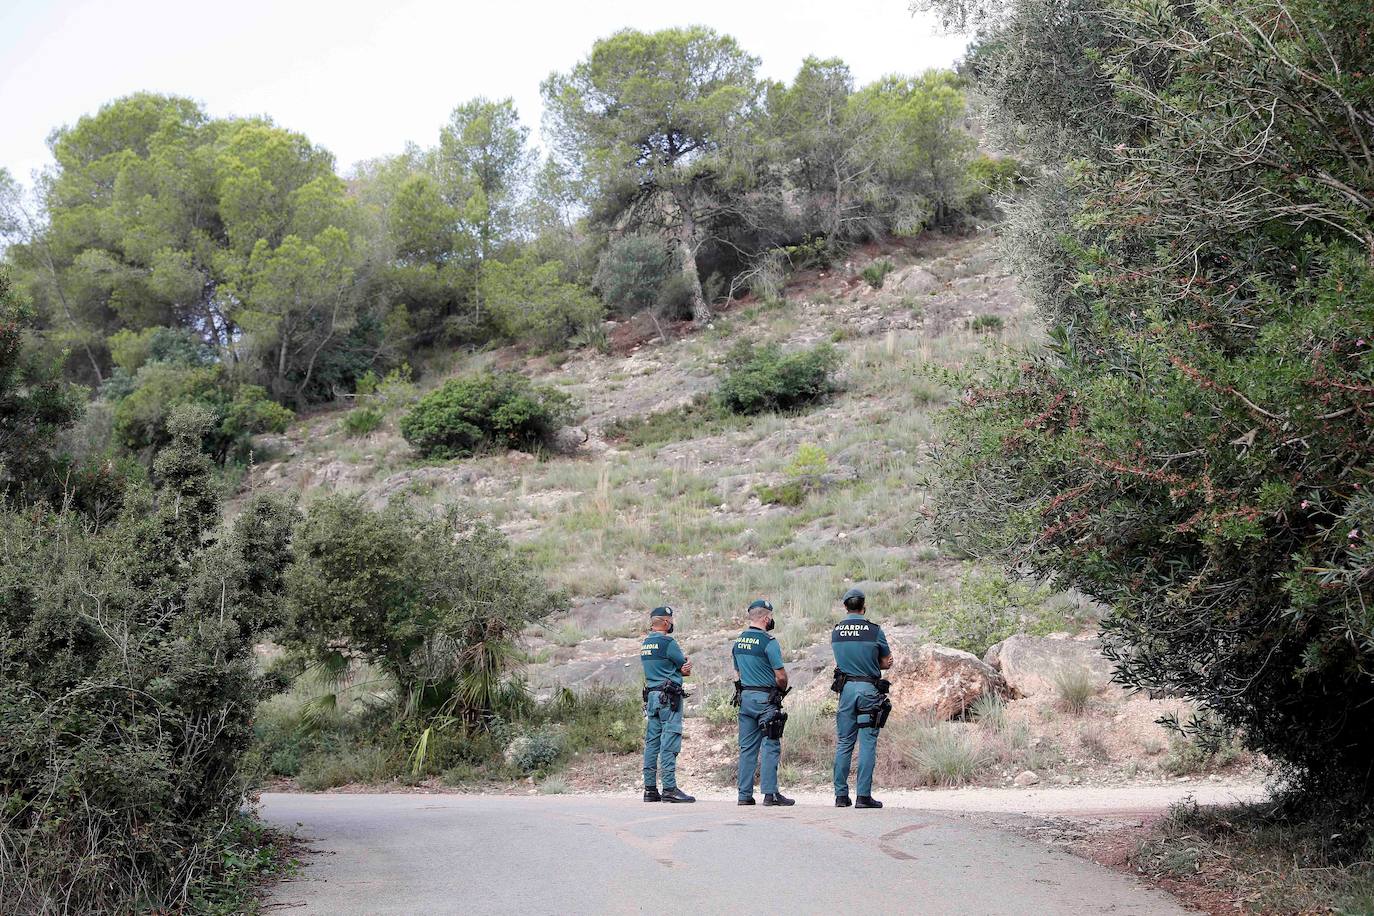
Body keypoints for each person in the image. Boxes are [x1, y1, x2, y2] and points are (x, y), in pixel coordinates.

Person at [830, 587, 893, 809]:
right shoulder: (874, 630)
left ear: (845, 607)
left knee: (845, 742)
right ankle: (863, 796)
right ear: (863, 606)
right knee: (867, 742)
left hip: (846, 691)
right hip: (868, 690)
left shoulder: (836, 631)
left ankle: (840, 795)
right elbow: (885, 662)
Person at [731, 599, 794, 807]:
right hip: (765, 699)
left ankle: (744, 795)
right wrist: (781, 689)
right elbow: (780, 675)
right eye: (772, 617)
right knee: (770, 744)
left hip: (746, 698)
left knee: (747, 748)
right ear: (766, 618)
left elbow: (738, 672)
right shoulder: (769, 642)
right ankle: (770, 793)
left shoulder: (738, 641)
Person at [640, 605, 694, 803]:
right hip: (669, 699)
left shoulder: (646, 644)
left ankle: (650, 789)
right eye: (670, 620)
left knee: (652, 743)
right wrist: (684, 668)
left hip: (652, 697)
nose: (671, 624)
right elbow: (684, 668)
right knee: (669, 741)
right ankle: (669, 788)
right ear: (664, 622)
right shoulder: (668, 642)